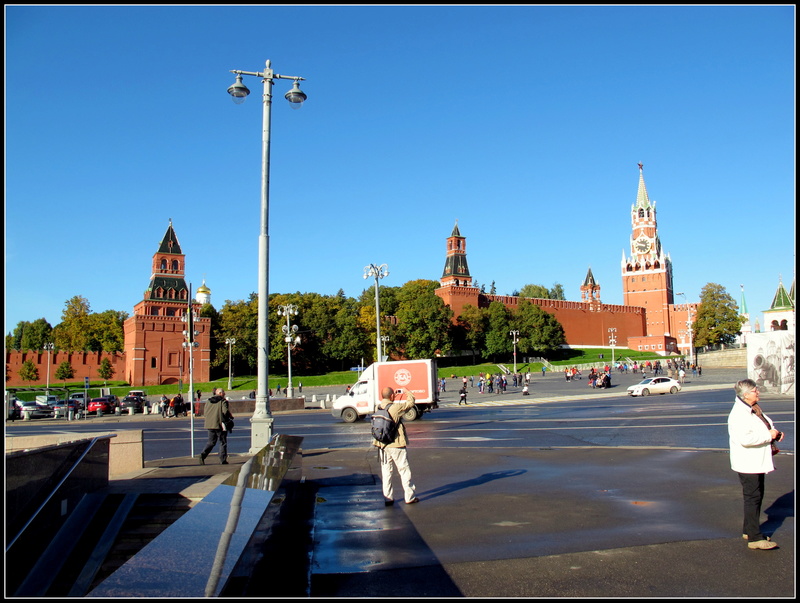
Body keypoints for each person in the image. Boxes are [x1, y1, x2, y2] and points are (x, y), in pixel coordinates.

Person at [727, 379, 783, 550]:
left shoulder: (752, 409)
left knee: (755, 497)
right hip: (748, 462)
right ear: (745, 395)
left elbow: (764, 426)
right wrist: (769, 436)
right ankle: (755, 539)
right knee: (753, 498)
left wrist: (775, 434)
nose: (757, 392)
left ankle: (750, 530)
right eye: (754, 391)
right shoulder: (739, 414)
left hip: (754, 461)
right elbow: (746, 439)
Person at [373, 386, 419, 506]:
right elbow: (411, 402)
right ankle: (409, 496)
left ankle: (388, 497)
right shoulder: (395, 408)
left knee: (386, 472)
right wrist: (406, 391)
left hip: (382, 445)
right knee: (404, 470)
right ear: (392, 396)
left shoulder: (377, 407)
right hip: (396, 444)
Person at [199, 388, 234, 465]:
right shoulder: (223, 401)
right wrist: (230, 416)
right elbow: (225, 412)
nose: (225, 394)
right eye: (223, 392)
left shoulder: (208, 401)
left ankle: (202, 455)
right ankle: (223, 460)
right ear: (220, 393)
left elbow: (205, 412)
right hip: (220, 425)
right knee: (222, 442)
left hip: (209, 424)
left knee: (211, 442)